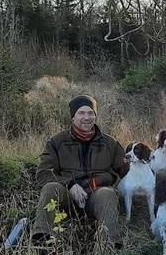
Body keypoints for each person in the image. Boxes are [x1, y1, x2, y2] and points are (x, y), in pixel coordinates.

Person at [31, 95, 127, 247]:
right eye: (81, 113)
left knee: (106, 193)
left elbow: (125, 171)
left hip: (96, 198)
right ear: (73, 117)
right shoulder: (57, 142)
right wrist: (69, 185)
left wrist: (105, 181)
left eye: (91, 113)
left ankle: (110, 246)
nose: (87, 117)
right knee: (51, 188)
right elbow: (43, 173)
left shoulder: (111, 144)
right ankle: (43, 240)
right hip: (67, 199)